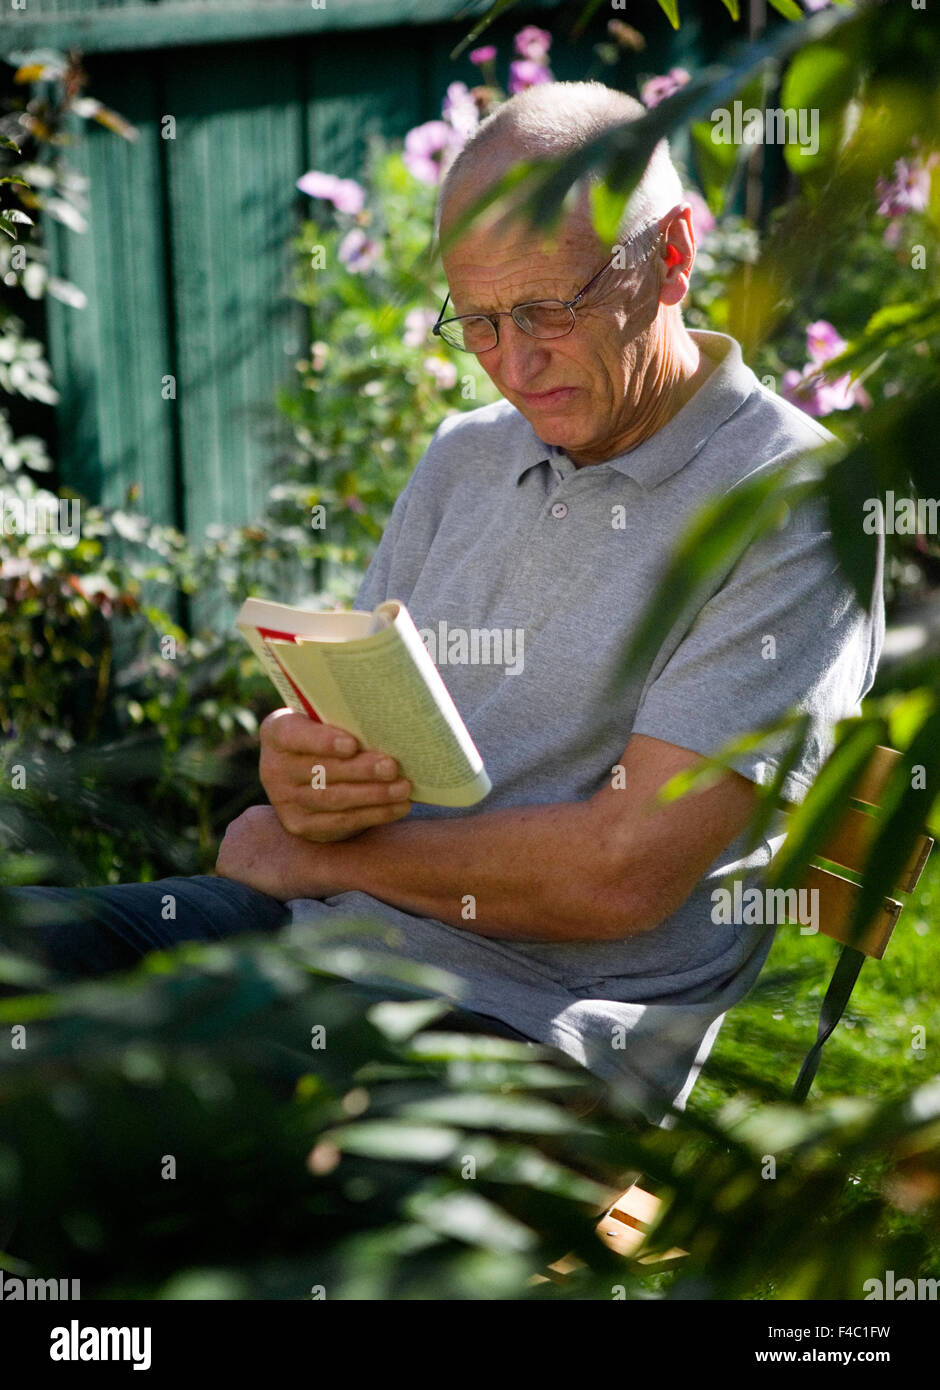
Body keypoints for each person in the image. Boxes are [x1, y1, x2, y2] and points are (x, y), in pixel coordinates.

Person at [1, 83, 883, 1123]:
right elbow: (358, 732)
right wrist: (304, 767)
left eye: (549, 310)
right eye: (477, 322)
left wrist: (305, 852)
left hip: (529, 1038)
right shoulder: (465, 456)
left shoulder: (794, 505)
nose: (513, 364)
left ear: (673, 258)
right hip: (311, 941)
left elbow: (622, 871)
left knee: (97, 1096)